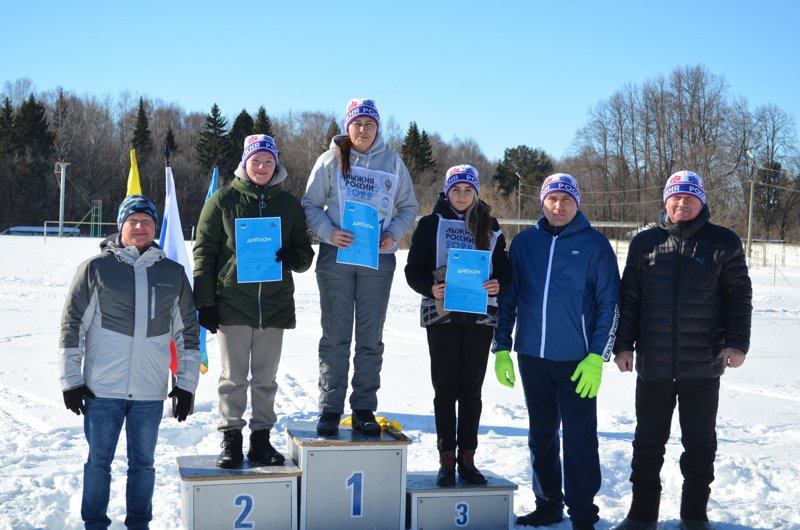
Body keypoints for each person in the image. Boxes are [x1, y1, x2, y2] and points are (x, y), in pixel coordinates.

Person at [611, 171, 752, 530]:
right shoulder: (644, 244)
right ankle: (642, 515)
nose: (682, 203)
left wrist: (736, 343)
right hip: (654, 365)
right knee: (647, 443)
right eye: (675, 197)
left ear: (702, 201)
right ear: (665, 201)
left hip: (703, 365)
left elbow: (739, 298)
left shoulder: (724, 242)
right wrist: (624, 345)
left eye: (690, 197)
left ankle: (694, 515)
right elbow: (630, 301)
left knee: (700, 444)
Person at [58, 194, 201, 530]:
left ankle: (139, 524)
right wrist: (71, 380)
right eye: (133, 221)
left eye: (147, 222)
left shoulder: (173, 273)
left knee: (144, 466)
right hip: (101, 390)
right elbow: (72, 327)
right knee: (98, 464)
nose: (140, 227)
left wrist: (186, 384)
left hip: (150, 392)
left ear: (155, 228)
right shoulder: (95, 269)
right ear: (121, 226)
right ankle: (94, 524)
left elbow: (188, 335)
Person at [492, 174, 620, 530]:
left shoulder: (596, 245)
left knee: (580, 439)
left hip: (578, 362)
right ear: (543, 203)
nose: (559, 206)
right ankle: (548, 505)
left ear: (577, 203)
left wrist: (597, 356)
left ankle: (582, 514)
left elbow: (610, 304)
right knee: (541, 436)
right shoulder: (524, 243)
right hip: (532, 357)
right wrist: (502, 346)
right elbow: (508, 300)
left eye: (566, 199)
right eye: (552, 200)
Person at [193, 134, 314, 469]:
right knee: (233, 378)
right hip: (231, 304)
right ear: (245, 163)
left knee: (265, 378)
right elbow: (204, 253)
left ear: (277, 165)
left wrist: (294, 256)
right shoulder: (221, 201)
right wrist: (205, 302)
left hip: (274, 305)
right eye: (256, 160)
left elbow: (305, 258)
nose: (262, 167)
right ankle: (231, 438)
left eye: (268, 161)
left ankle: (261, 439)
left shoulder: (289, 205)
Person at [302, 98, 418, 437]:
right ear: (347, 126)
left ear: (377, 127)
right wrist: (328, 231)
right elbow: (310, 204)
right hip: (336, 257)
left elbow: (408, 207)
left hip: (377, 260)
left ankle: (364, 407)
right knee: (336, 335)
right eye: (357, 124)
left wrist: (393, 233)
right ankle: (330, 408)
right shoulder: (329, 160)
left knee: (370, 337)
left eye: (369, 124)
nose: (363, 130)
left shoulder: (393, 162)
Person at [405, 165, 511, 486]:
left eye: (468, 190)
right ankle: (446, 459)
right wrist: (430, 287)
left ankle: (467, 457)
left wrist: (497, 284)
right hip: (442, 316)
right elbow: (413, 271)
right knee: (445, 389)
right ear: (447, 192)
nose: (462, 196)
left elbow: (505, 272)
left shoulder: (490, 226)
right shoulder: (429, 224)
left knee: (471, 391)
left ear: (476, 193)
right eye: (456, 190)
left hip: (480, 318)